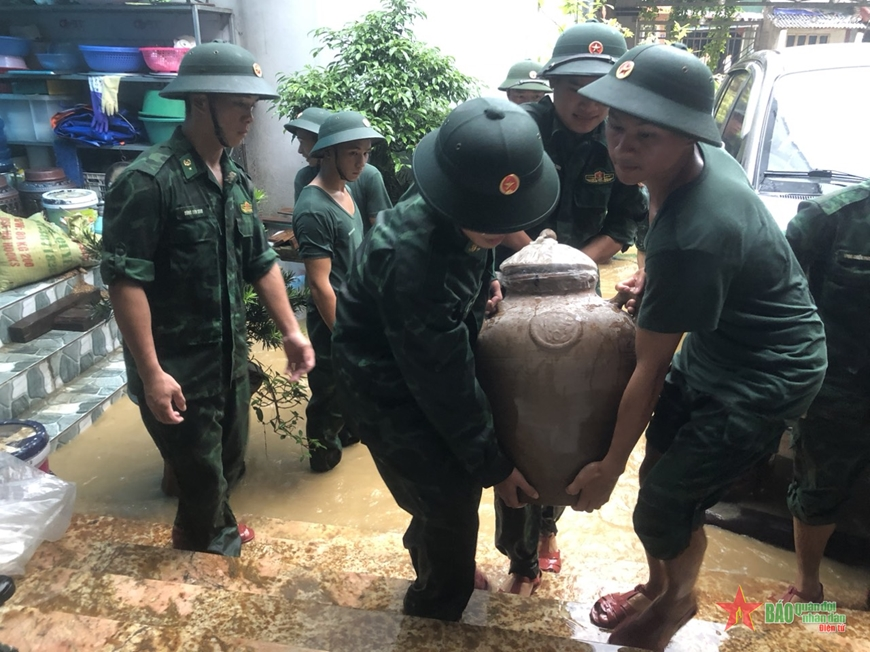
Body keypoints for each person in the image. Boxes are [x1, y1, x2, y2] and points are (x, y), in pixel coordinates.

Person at [566, 44, 827, 652]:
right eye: (616, 126)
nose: (623, 148)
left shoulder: (697, 236)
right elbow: (671, 243)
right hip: (717, 345)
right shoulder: (697, 160)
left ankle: (677, 601)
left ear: (687, 136)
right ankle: (661, 585)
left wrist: (607, 466)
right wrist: (654, 273)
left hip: (768, 371)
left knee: (660, 502)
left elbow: (649, 368)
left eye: (645, 136)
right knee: (662, 482)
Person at [332, 97, 560, 621]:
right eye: (485, 221)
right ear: (453, 195)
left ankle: (438, 552)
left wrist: (484, 291)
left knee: (445, 501)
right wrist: (494, 466)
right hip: (388, 390)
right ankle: (435, 603)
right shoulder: (413, 259)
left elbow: (470, 274)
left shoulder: (464, 207)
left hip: (425, 362)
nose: (496, 231)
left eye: (505, 219)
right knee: (452, 502)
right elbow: (444, 385)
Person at [101, 42, 315, 557]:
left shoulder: (233, 180)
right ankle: (208, 548)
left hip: (229, 360)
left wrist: (290, 330)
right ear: (200, 102)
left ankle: (206, 523)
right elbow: (126, 282)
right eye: (239, 105)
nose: (249, 118)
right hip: (177, 366)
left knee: (229, 462)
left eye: (252, 106)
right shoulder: (149, 182)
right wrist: (152, 373)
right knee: (200, 474)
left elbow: (260, 261)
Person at [494, 20, 649, 597]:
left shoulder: (622, 139)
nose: (586, 101)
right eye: (574, 85)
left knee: (569, 412)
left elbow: (626, 222)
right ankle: (520, 556)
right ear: (552, 84)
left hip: (582, 288)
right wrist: (539, 259)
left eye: (600, 85)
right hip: (511, 283)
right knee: (515, 418)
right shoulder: (519, 131)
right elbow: (489, 208)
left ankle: (549, 526)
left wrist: (576, 269)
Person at [773, 180, 870, 605]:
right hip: (838, 389)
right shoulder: (830, 217)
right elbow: (772, 295)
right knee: (816, 490)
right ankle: (808, 586)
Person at [292, 111, 384, 472]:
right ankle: (322, 458)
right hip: (334, 321)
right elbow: (319, 284)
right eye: (352, 154)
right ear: (327, 153)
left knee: (353, 390)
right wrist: (345, 336)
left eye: (365, 153)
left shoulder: (345, 192)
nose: (361, 163)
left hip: (355, 313)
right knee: (328, 395)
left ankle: (346, 439)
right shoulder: (314, 208)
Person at [285, 108, 392, 231]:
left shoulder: (368, 176)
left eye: (302, 142)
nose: (300, 150)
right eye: (352, 153)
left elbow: (382, 227)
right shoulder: (304, 179)